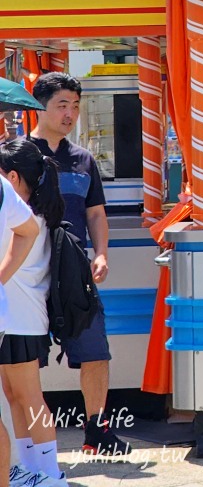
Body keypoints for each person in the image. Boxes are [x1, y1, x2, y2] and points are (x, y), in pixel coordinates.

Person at [29, 72, 129, 456]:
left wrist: (101, 253)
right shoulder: (18, 155)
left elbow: (97, 215)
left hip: (76, 275)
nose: (70, 113)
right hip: (30, 274)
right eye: (61, 105)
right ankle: (31, 440)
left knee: (95, 352)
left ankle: (97, 430)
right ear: (41, 107)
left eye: (75, 105)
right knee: (25, 360)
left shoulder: (83, 159)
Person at [0, 140, 68, 485]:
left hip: (21, 321)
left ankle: (51, 472)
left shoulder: (28, 221)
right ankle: (30, 470)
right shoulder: (35, 216)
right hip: (19, 321)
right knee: (16, 397)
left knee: (30, 399)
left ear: (13, 177)